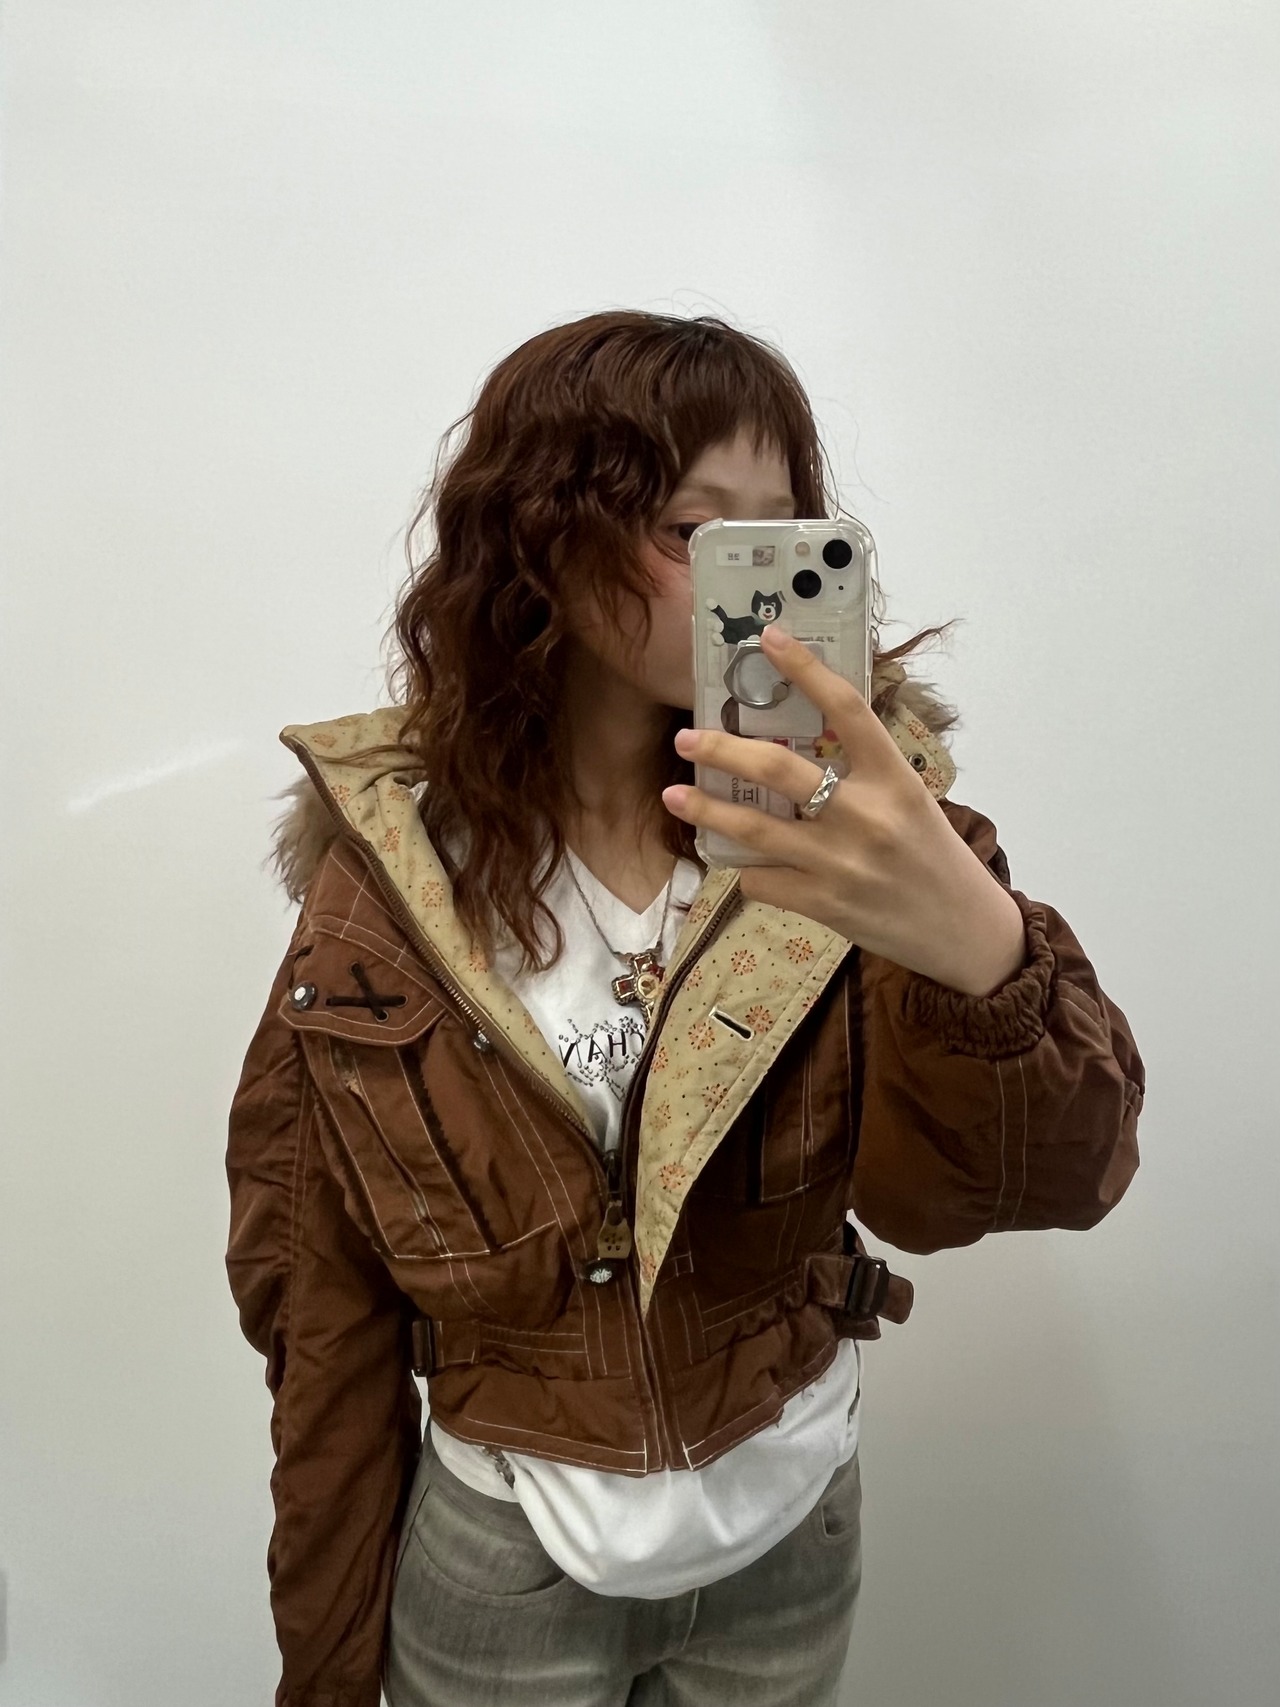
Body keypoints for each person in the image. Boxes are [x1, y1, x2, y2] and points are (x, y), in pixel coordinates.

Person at [225, 310, 1144, 1707]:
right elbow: (321, 1314)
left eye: (780, 532)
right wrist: (329, 1671)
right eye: (693, 530)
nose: (753, 583)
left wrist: (975, 935)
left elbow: (1027, 1186)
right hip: (507, 1555)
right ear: (540, 539)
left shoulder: (859, 847)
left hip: (791, 1531)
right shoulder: (395, 889)